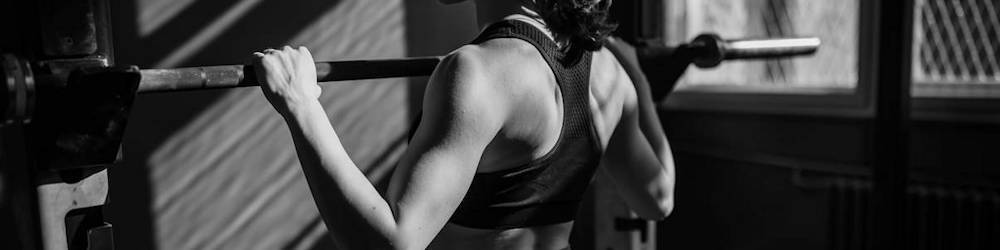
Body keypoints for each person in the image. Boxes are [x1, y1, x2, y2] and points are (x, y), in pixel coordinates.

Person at [252, 0, 674, 249]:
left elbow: (393, 243)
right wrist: (638, 79)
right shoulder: (610, 74)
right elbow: (658, 198)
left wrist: (301, 103)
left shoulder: (479, 72)